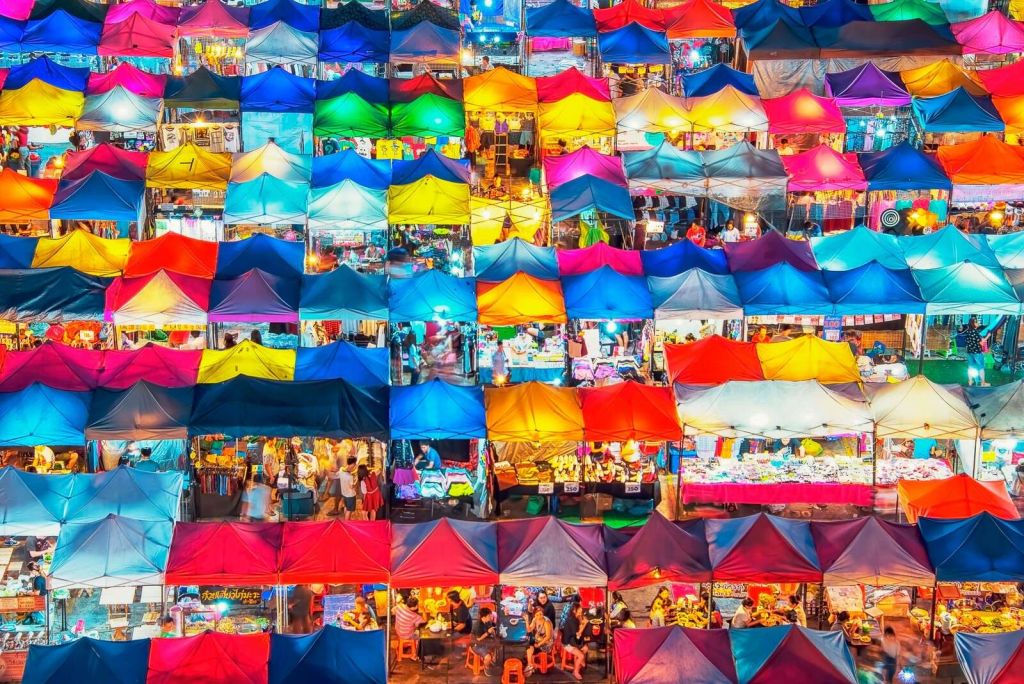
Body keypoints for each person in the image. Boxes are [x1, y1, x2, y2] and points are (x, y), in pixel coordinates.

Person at [560, 602, 588, 681]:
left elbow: (577, 636)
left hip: (573, 641)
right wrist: (584, 624)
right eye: (579, 608)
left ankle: (578, 662)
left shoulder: (576, 617)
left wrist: (581, 620)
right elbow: (577, 635)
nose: (581, 610)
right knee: (581, 656)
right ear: (574, 610)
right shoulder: (571, 620)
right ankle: (575, 671)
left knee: (585, 648)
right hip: (567, 644)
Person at [524, 604, 553, 674]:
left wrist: (539, 644)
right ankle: (530, 664)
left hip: (546, 643)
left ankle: (530, 664)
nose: (539, 616)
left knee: (530, 646)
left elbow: (548, 636)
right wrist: (527, 621)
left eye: (541, 614)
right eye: (537, 615)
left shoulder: (546, 622)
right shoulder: (535, 620)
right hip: (538, 639)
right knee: (529, 645)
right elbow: (529, 630)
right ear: (534, 615)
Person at [962, 317, 989, 386]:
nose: (978, 323)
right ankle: (983, 383)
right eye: (977, 322)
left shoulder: (968, 331)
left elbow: (968, 342)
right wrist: (988, 336)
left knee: (970, 367)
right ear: (973, 323)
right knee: (981, 367)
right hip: (977, 353)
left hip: (970, 352)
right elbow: (981, 343)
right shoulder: (976, 332)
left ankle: (970, 381)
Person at [471, 607, 497, 675]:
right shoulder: (478, 625)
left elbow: (492, 630)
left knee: (498, 644)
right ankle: (486, 667)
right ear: (484, 617)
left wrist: (493, 632)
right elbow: (478, 639)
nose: (491, 617)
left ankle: (492, 658)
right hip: (476, 645)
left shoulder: (487, 622)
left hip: (484, 641)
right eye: (489, 615)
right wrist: (488, 632)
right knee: (488, 657)